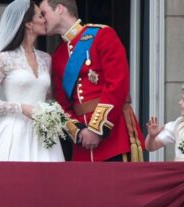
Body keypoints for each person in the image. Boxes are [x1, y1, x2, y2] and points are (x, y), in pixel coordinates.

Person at [39, 0, 145, 162]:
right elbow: (61, 104)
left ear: (60, 9)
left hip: (114, 137)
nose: (42, 19)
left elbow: (117, 85)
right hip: (83, 145)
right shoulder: (58, 55)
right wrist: (79, 132)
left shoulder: (102, 35)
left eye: (44, 13)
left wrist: (96, 129)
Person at [0, 0, 64, 162]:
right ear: (28, 23)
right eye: (40, 16)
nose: (44, 19)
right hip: (14, 133)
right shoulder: (4, 58)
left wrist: (52, 114)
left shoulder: (46, 59)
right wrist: (20, 108)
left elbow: (48, 98)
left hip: (44, 133)